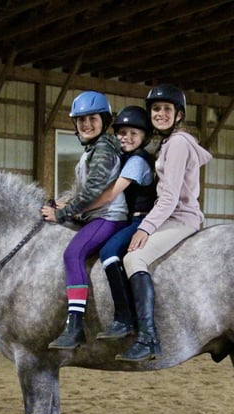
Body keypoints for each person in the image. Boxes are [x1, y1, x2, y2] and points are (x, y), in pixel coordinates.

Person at [116, 84, 213, 362]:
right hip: (171, 216)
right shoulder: (169, 143)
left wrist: (145, 227)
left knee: (134, 259)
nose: (160, 114)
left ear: (178, 115)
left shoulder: (179, 143)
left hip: (180, 218)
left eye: (166, 109)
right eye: (156, 109)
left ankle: (148, 338)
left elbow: (169, 197)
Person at [41, 91, 128, 350]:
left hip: (109, 217)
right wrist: (60, 201)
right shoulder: (92, 150)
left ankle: (75, 325)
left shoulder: (103, 149)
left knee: (73, 254)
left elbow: (91, 192)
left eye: (92, 118)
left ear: (103, 120)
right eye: (81, 120)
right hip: (95, 216)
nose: (86, 124)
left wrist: (61, 213)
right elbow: (81, 190)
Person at [85, 105, 156, 340]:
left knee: (110, 252)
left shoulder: (137, 161)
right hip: (126, 219)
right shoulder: (122, 158)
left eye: (133, 134)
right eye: (122, 133)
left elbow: (109, 195)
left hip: (140, 219)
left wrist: (77, 209)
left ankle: (125, 318)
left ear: (144, 138)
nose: (126, 138)